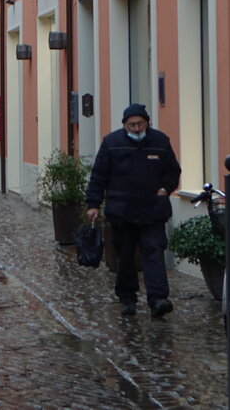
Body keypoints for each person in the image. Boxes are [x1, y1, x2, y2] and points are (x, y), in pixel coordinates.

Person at [85, 103, 181, 317]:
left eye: (140, 124)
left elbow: (173, 171)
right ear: (124, 125)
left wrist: (164, 189)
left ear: (147, 123)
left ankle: (158, 299)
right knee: (126, 256)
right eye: (132, 125)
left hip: (153, 210)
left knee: (154, 252)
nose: (137, 129)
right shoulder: (111, 143)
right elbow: (99, 175)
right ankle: (127, 298)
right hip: (122, 211)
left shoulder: (160, 141)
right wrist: (93, 204)